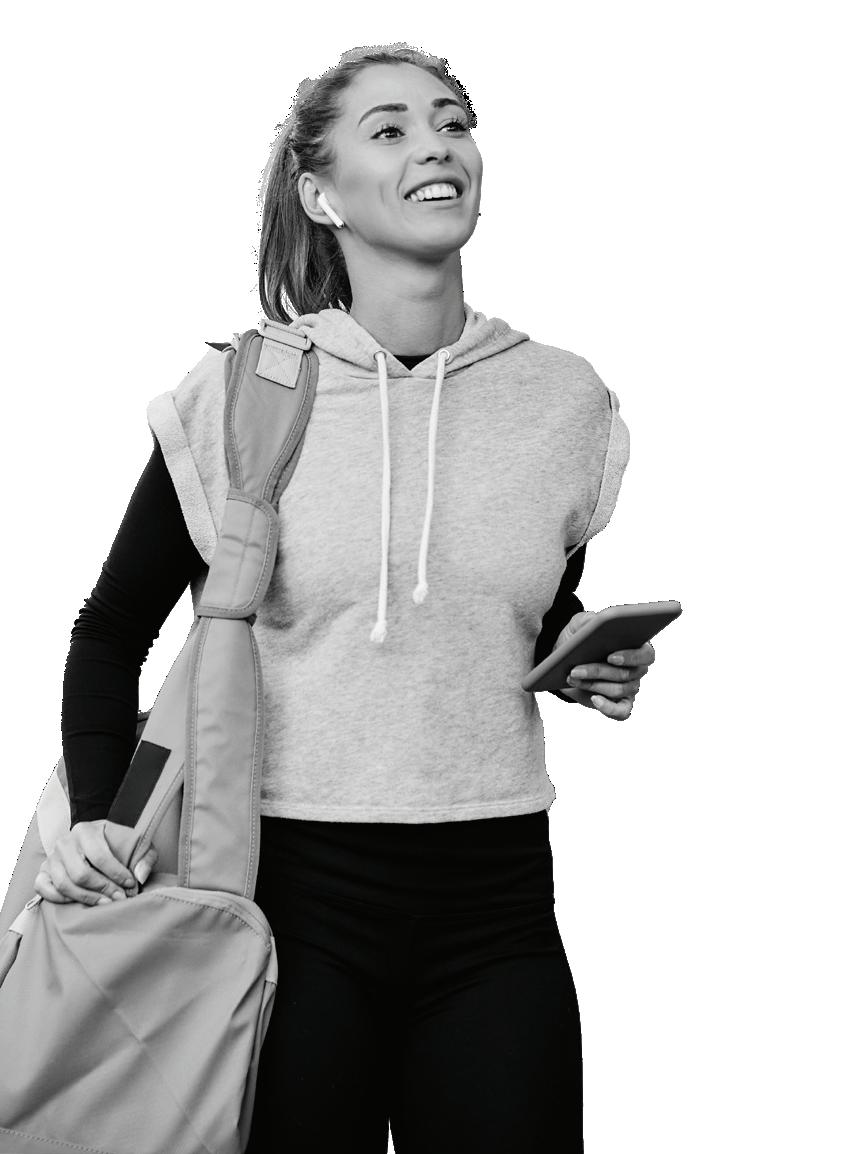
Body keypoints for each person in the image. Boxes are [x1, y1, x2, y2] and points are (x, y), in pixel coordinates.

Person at [37, 43, 655, 1154]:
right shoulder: (245, 393)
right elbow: (110, 631)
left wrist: (583, 653)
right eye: (390, 128)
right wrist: (95, 815)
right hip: (285, 897)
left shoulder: (561, 398)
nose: (436, 146)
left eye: (452, 122)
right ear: (321, 195)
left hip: (497, 895)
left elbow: (531, 603)